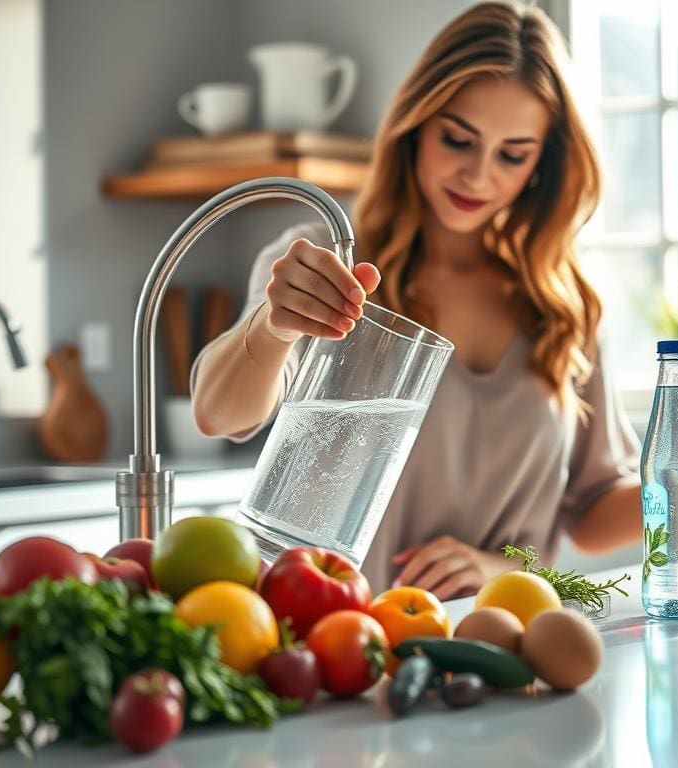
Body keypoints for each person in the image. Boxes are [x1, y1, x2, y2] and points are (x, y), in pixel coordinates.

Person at [191, 2, 643, 598]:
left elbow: (590, 514)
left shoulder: (564, 310)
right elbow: (219, 415)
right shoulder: (327, 260)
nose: (478, 176)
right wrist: (272, 328)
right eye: (458, 139)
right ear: (416, 124)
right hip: (338, 644)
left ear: (543, 164)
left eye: (512, 153)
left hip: (497, 645)